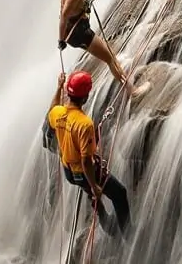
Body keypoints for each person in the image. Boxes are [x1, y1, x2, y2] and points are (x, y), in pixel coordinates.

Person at [45, 70, 131, 238]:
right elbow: (86, 161)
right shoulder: (85, 124)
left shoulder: (58, 114)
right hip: (83, 171)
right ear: (85, 98)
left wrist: (58, 87)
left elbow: (52, 109)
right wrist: (94, 185)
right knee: (119, 193)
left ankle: (105, 221)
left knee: (90, 190)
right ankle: (128, 234)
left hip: (68, 171)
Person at [58, 0, 148, 97]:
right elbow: (64, 15)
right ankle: (132, 91)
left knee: (110, 56)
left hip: (76, 33)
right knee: (111, 59)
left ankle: (130, 89)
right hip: (80, 33)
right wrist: (61, 39)